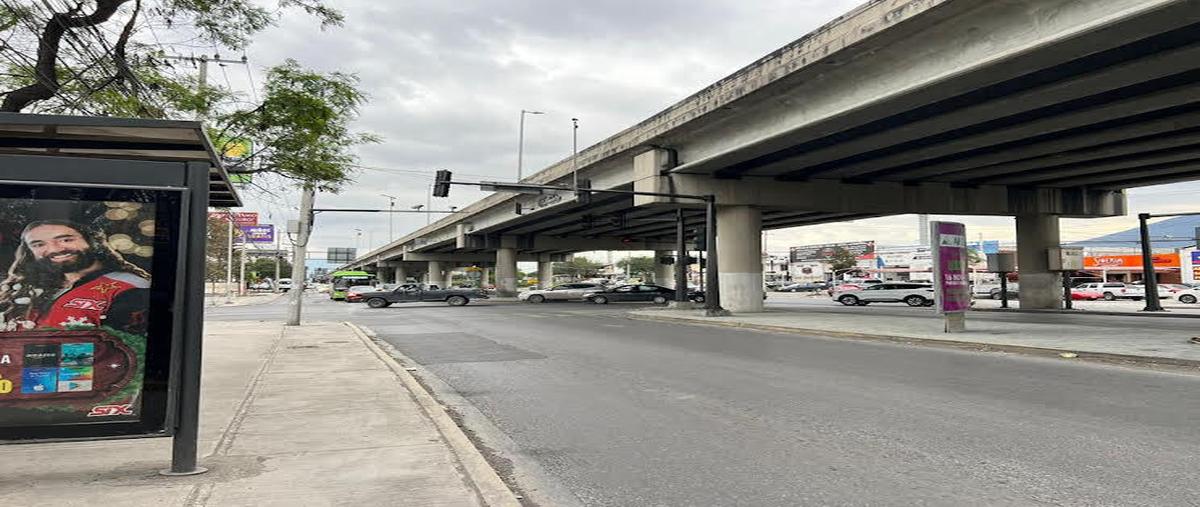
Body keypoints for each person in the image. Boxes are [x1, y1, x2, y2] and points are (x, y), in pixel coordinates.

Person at [0, 219, 149, 333]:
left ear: (93, 242)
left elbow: (131, 350)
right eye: (39, 244)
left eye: (66, 240)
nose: (54, 249)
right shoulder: (23, 288)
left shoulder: (131, 286)